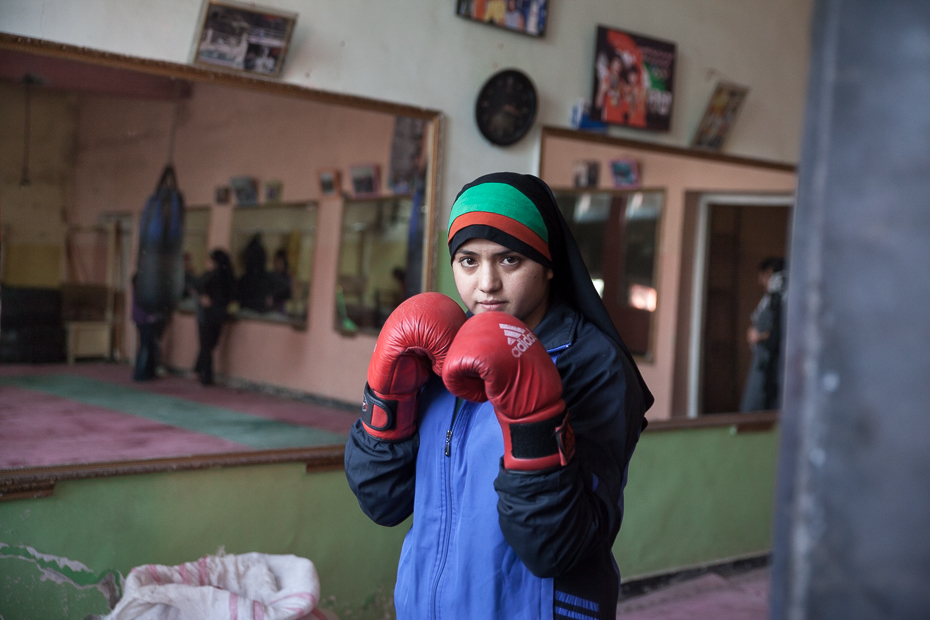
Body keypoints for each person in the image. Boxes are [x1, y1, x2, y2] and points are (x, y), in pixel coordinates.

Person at [345, 172, 653, 619]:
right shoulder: (438, 345)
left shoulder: (589, 363)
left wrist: (533, 416)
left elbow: (556, 546)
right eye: (468, 261)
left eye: (509, 260)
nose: (486, 283)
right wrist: (384, 401)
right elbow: (382, 501)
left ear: (548, 264)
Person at [740, 256, 787, 411]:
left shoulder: (784, 298)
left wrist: (759, 336)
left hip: (773, 359)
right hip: (761, 360)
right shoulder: (768, 300)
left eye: (766, 276)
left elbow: (782, 332)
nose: (762, 281)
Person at [194, 249, 236, 386]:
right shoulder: (228, 276)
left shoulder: (212, 275)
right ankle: (199, 369)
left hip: (208, 315)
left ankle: (205, 375)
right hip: (219, 315)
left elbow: (198, 284)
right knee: (210, 346)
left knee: (205, 346)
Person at [131, 273, 167, 382]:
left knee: (147, 345)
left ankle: (146, 371)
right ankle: (141, 373)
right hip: (145, 318)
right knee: (146, 345)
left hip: (141, 317)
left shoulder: (139, 284)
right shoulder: (144, 288)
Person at [269, 248, 293, 314]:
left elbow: (288, 295)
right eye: (274, 261)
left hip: (281, 310)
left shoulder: (286, 277)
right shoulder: (271, 275)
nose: (276, 264)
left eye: (278, 262)